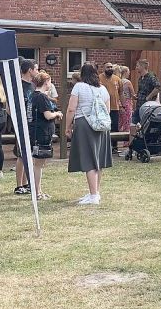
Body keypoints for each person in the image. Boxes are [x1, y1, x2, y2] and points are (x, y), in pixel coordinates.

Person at [66, 63, 112, 205]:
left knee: (89, 160)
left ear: (82, 74)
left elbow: (71, 109)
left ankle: (93, 196)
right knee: (98, 159)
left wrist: (67, 126)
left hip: (84, 124)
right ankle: (95, 192)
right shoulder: (103, 89)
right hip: (102, 126)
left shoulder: (79, 87)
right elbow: (107, 110)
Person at [27, 72, 62, 201]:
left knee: (37, 163)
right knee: (39, 164)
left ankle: (38, 190)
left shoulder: (32, 96)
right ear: (46, 82)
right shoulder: (42, 97)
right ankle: (37, 192)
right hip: (41, 133)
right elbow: (47, 115)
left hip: (34, 132)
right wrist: (57, 113)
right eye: (50, 81)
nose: (50, 84)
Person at [14, 58, 38, 195]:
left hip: (31, 124)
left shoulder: (32, 85)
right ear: (30, 70)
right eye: (36, 68)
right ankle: (19, 185)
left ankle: (26, 183)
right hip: (21, 123)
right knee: (21, 155)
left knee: (28, 154)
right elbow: (10, 106)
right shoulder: (18, 86)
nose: (37, 71)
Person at [100, 63, 123, 147]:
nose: (110, 68)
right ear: (103, 69)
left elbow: (121, 93)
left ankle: (114, 147)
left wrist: (122, 105)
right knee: (104, 127)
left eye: (111, 67)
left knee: (115, 128)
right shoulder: (99, 78)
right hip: (103, 108)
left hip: (114, 107)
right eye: (107, 67)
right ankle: (104, 146)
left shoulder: (117, 79)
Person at [133, 59, 160, 124]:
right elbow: (141, 90)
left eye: (137, 66)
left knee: (144, 123)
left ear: (142, 67)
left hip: (147, 106)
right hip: (139, 104)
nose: (136, 68)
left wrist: (149, 96)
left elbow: (157, 87)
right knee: (135, 122)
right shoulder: (140, 78)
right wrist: (136, 95)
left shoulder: (151, 77)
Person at [117, 65, 135, 135]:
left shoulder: (118, 81)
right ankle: (126, 141)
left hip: (119, 103)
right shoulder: (127, 82)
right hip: (127, 102)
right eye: (128, 72)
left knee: (120, 121)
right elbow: (133, 94)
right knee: (127, 122)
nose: (129, 73)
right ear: (125, 72)